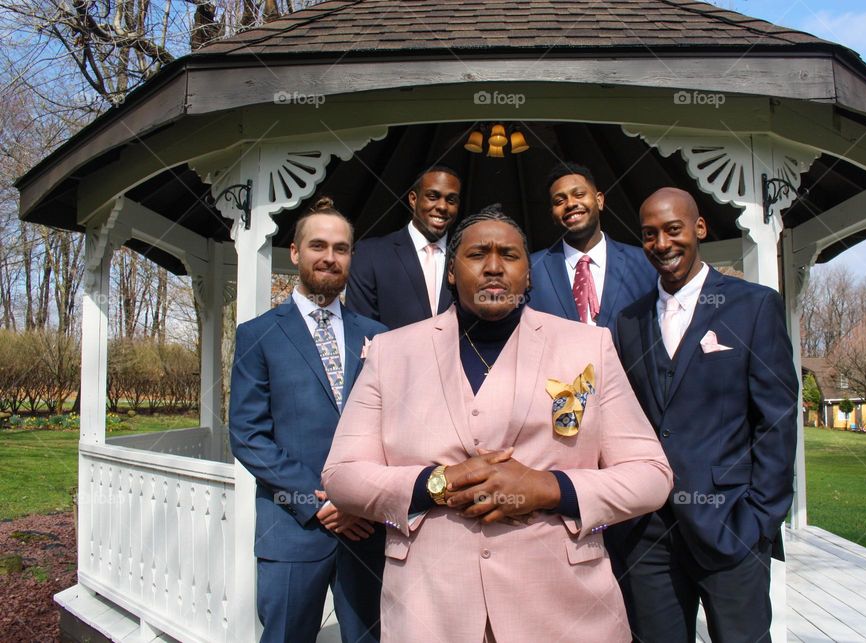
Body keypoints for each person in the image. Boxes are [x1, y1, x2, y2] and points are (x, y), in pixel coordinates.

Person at [322, 206, 673, 642]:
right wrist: (436, 483)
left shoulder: (588, 347)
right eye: (476, 255)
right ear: (451, 272)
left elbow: (651, 475)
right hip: (432, 609)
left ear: (528, 275)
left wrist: (550, 488)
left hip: (564, 610)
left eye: (508, 255)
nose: (493, 267)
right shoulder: (391, 353)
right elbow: (341, 475)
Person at [612, 187, 799, 643]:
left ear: (699, 228)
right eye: (649, 234)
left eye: (673, 230)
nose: (661, 244)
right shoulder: (628, 320)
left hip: (731, 523)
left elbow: (777, 419)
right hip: (650, 534)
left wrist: (760, 520)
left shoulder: (752, 306)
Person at [229, 198, 388, 643]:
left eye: (341, 248)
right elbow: (248, 435)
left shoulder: (379, 336)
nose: (330, 257)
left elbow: (395, 429)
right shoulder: (257, 335)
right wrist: (318, 502)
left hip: (366, 529)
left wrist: (358, 499)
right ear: (295, 253)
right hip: (292, 529)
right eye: (318, 245)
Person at [528, 162, 656, 330]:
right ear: (552, 214)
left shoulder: (644, 263)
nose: (571, 204)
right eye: (560, 201)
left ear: (599, 200)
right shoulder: (532, 270)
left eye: (579, 194)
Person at [346, 166, 461, 329]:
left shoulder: (467, 258)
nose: (442, 206)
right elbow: (361, 328)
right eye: (433, 196)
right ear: (413, 199)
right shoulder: (370, 254)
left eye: (451, 200)